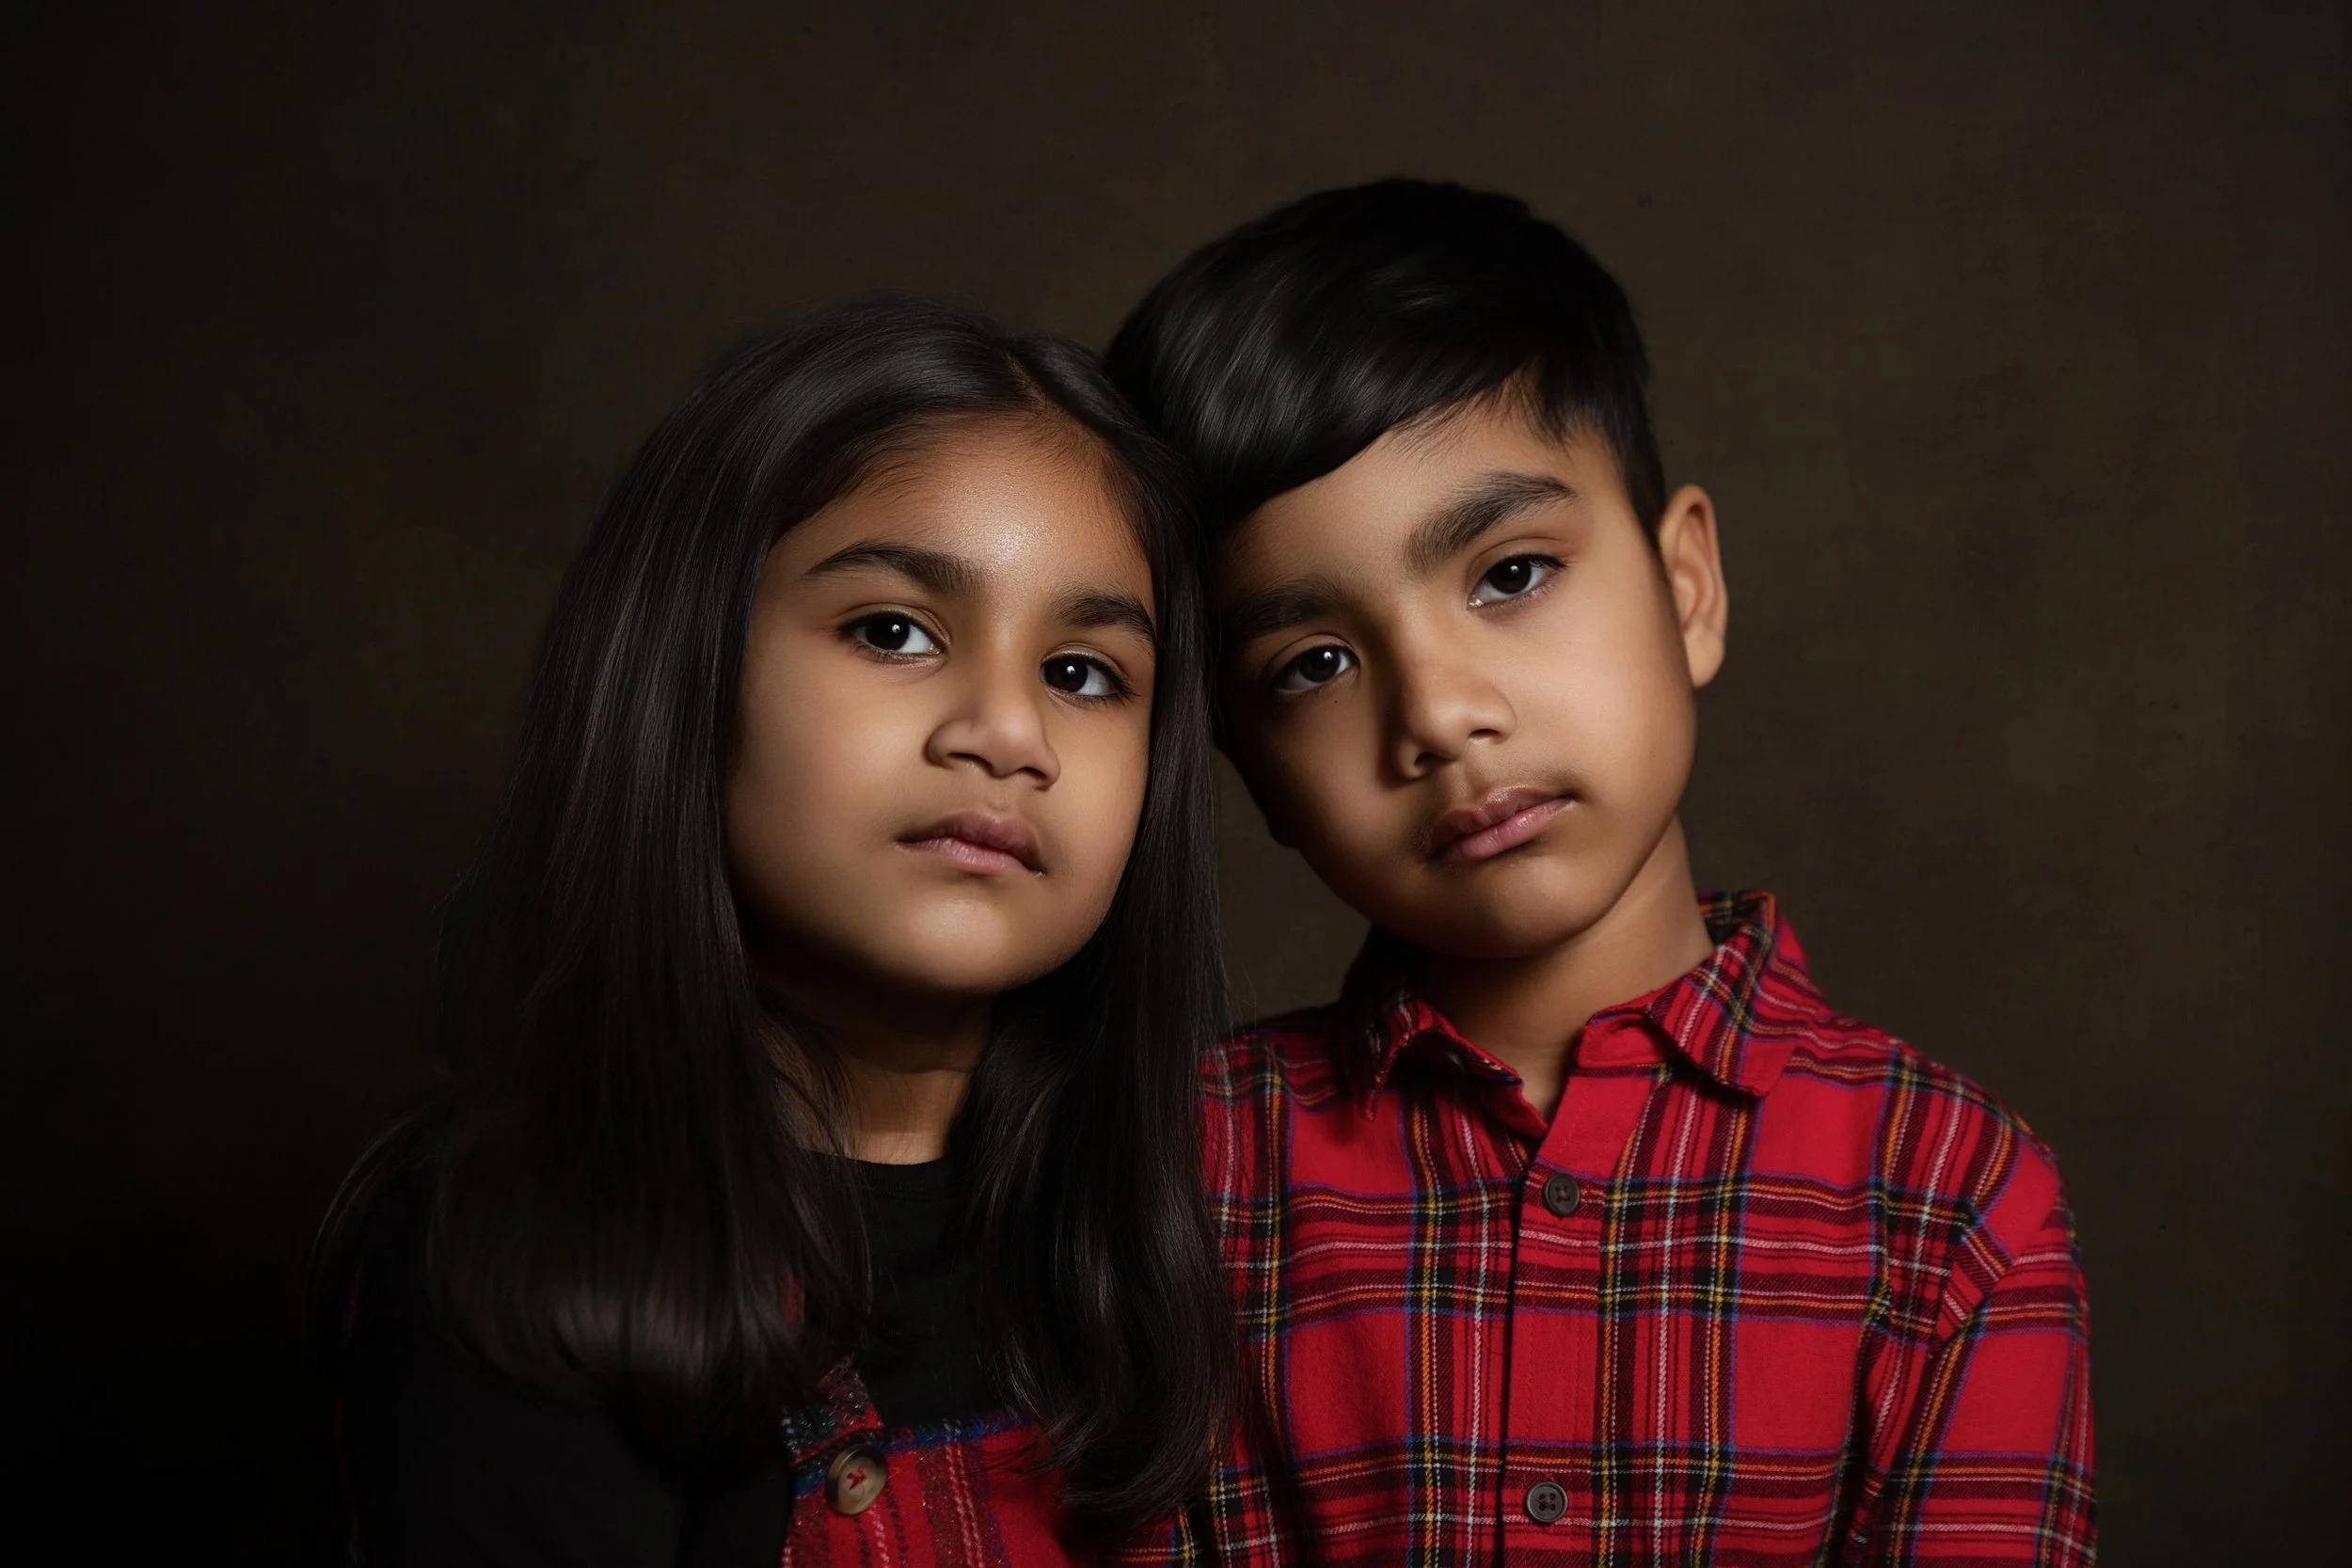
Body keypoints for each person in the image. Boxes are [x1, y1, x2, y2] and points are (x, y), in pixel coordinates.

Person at [1104, 181, 2095, 1564]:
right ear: (1248, 767)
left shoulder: (1947, 1194)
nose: (1440, 711)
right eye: (1313, 664)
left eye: (1510, 573)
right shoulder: (1168, 1175)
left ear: (1686, 584)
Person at [314, 294, 1232, 1565]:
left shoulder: (1195, 1216)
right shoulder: (530, 1254)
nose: (1007, 735)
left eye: (1081, 673)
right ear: (690, 668)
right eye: (894, 631)